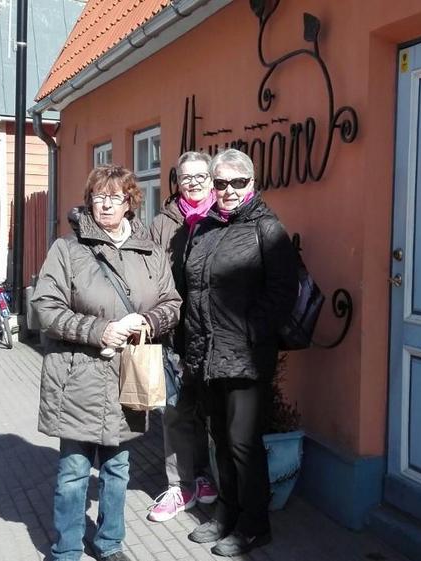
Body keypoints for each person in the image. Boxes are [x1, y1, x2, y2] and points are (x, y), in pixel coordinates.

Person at [33, 164, 181, 561]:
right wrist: (100, 331)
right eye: (99, 197)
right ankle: (66, 549)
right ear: (89, 201)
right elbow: (45, 307)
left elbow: (172, 304)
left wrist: (147, 322)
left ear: (130, 202)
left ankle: (110, 543)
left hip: (129, 375)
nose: (106, 205)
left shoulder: (150, 252)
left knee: (117, 470)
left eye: (115, 197)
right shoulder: (68, 249)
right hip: (78, 376)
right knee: (73, 472)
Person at [183, 149, 298, 557]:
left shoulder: (267, 228)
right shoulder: (205, 228)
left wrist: (249, 331)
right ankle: (226, 514)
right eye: (221, 183)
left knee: (242, 442)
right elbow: (194, 288)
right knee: (219, 438)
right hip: (206, 352)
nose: (228, 190)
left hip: (245, 356)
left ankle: (254, 524)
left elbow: (283, 292)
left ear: (252, 183)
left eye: (238, 182)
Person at [146, 151, 220, 522]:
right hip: (175, 331)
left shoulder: (224, 215)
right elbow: (148, 273)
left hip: (215, 332)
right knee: (174, 410)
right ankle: (180, 485)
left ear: (211, 178)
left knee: (208, 408)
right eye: (185, 177)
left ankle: (203, 474)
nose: (192, 183)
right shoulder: (163, 223)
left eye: (199, 176)